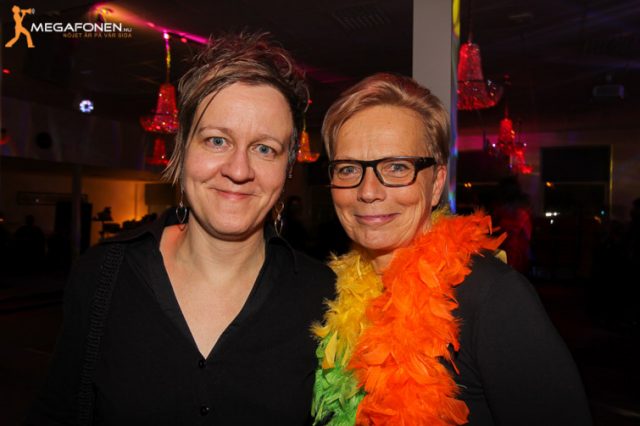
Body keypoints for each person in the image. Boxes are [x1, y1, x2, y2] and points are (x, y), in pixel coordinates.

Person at [27, 32, 335, 425]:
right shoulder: (104, 276)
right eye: (217, 140)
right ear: (182, 148)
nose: (239, 170)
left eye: (264, 149)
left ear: (288, 167)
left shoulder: (324, 298)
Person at [311, 73, 591, 425]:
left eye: (397, 167)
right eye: (349, 168)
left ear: (436, 183)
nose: (368, 191)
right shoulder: (328, 290)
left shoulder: (494, 297)